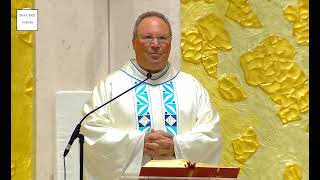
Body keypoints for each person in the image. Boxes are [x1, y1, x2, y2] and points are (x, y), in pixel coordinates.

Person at [80, 11, 222, 180]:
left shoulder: (191, 87)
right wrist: (139, 143)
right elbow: (91, 134)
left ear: (170, 43)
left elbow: (212, 136)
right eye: (147, 37)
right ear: (133, 43)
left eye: (162, 38)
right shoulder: (111, 87)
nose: (155, 44)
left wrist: (176, 146)